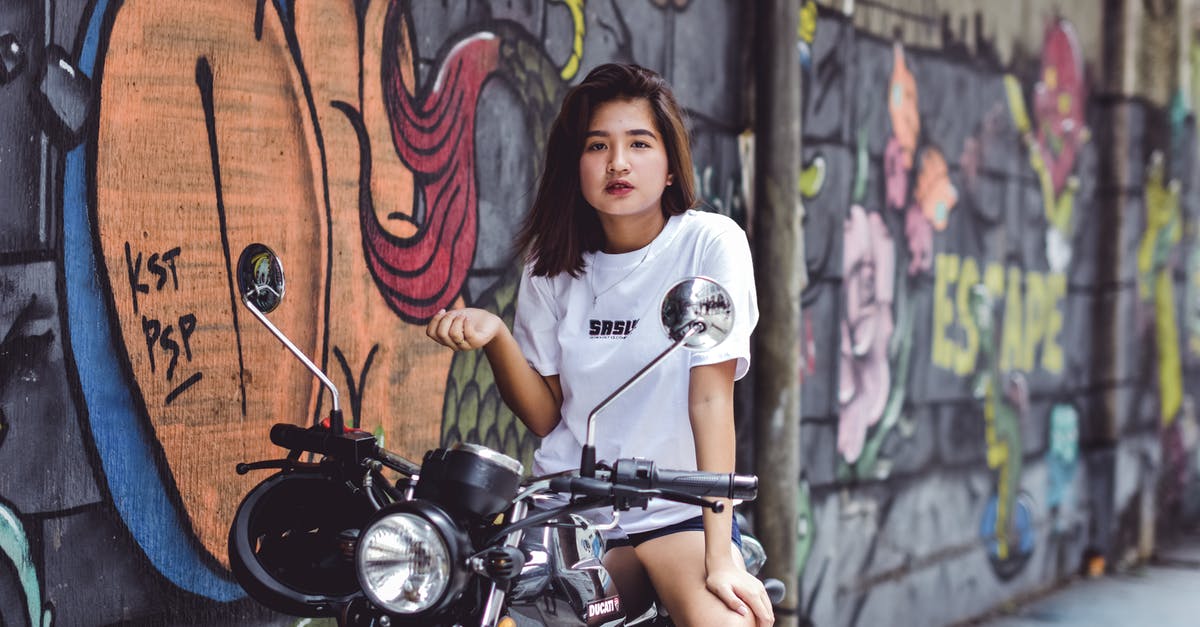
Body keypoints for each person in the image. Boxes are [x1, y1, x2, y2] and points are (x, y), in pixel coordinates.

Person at [426, 62, 772, 627]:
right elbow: (545, 415)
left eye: (639, 143)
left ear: (668, 166)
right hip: (572, 508)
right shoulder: (552, 266)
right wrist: (496, 337)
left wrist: (720, 557)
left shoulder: (709, 243)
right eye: (597, 146)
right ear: (576, 166)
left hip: (677, 508)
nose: (618, 162)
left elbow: (711, 401)